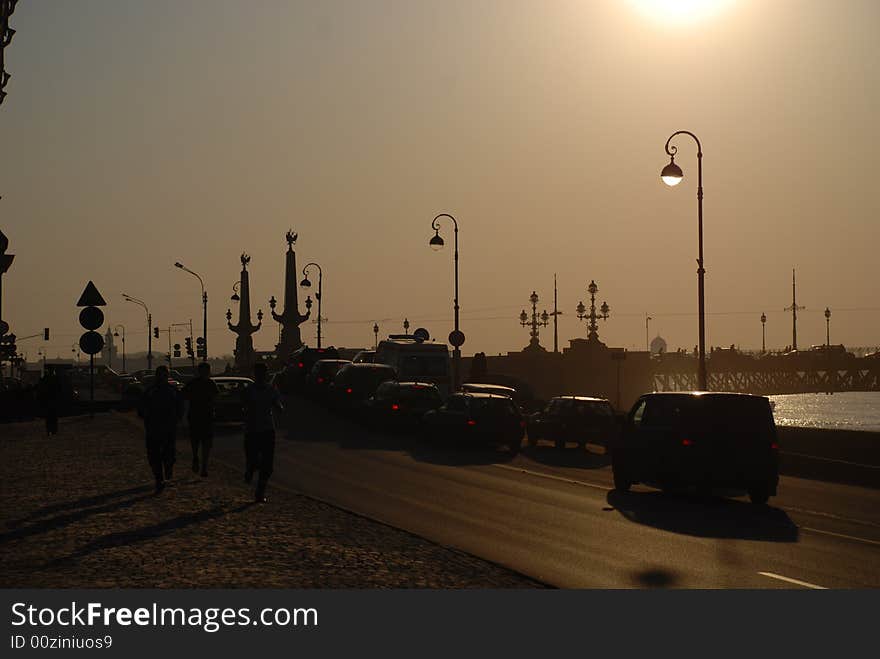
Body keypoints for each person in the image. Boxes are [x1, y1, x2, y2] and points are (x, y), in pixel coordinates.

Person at [240, 362, 283, 503]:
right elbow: (243, 406)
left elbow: (278, 405)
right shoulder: (249, 390)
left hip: (266, 429)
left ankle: (260, 491)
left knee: (267, 465)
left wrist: (279, 408)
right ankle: (250, 471)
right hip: (253, 429)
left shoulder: (270, 390)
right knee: (253, 459)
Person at [138, 365, 183, 493]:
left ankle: (167, 470)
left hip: (168, 427)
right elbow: (141, 408)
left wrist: (176, 419)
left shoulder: (172, 391)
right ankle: (159, 478)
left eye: (164, 375)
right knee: (154, 455)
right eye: (161, 375)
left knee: (168, 453)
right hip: (154, 428)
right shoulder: (151, 391)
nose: (162, 378)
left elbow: (180, 407)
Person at [182, 362, 219, 477]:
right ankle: (203, 466)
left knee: (196, 441)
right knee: (206, 443)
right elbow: (216, 397)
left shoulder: (192, 383)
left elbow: (183, 395)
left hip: (195, 415)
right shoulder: (211, 383)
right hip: (206, 416)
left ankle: (196, 458)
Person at [36, 367, 63, 436]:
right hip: (53, 400)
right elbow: (59, 389)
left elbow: (41, 390)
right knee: (53, 417)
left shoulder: (45, 379)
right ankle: (54, 430)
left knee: (48, 417)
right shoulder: (56, 379)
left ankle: (49, 430)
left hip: (47, 400)